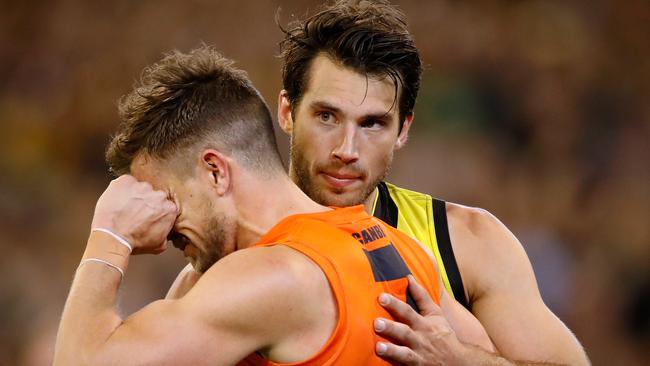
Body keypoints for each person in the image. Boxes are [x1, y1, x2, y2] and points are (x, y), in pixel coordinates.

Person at [53, 46, 493, 365]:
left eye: (163, 197)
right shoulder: (402, 250)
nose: (161, 224)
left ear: (215, 172)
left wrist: (109, 236)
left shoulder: (274, 276)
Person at [272, 1, 591, 365]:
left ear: (403, 130)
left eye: (372, 124)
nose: (347, 149)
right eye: (327, 116)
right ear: (287, 112)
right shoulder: (233, 240)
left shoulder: (466, 243)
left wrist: (457, 359)